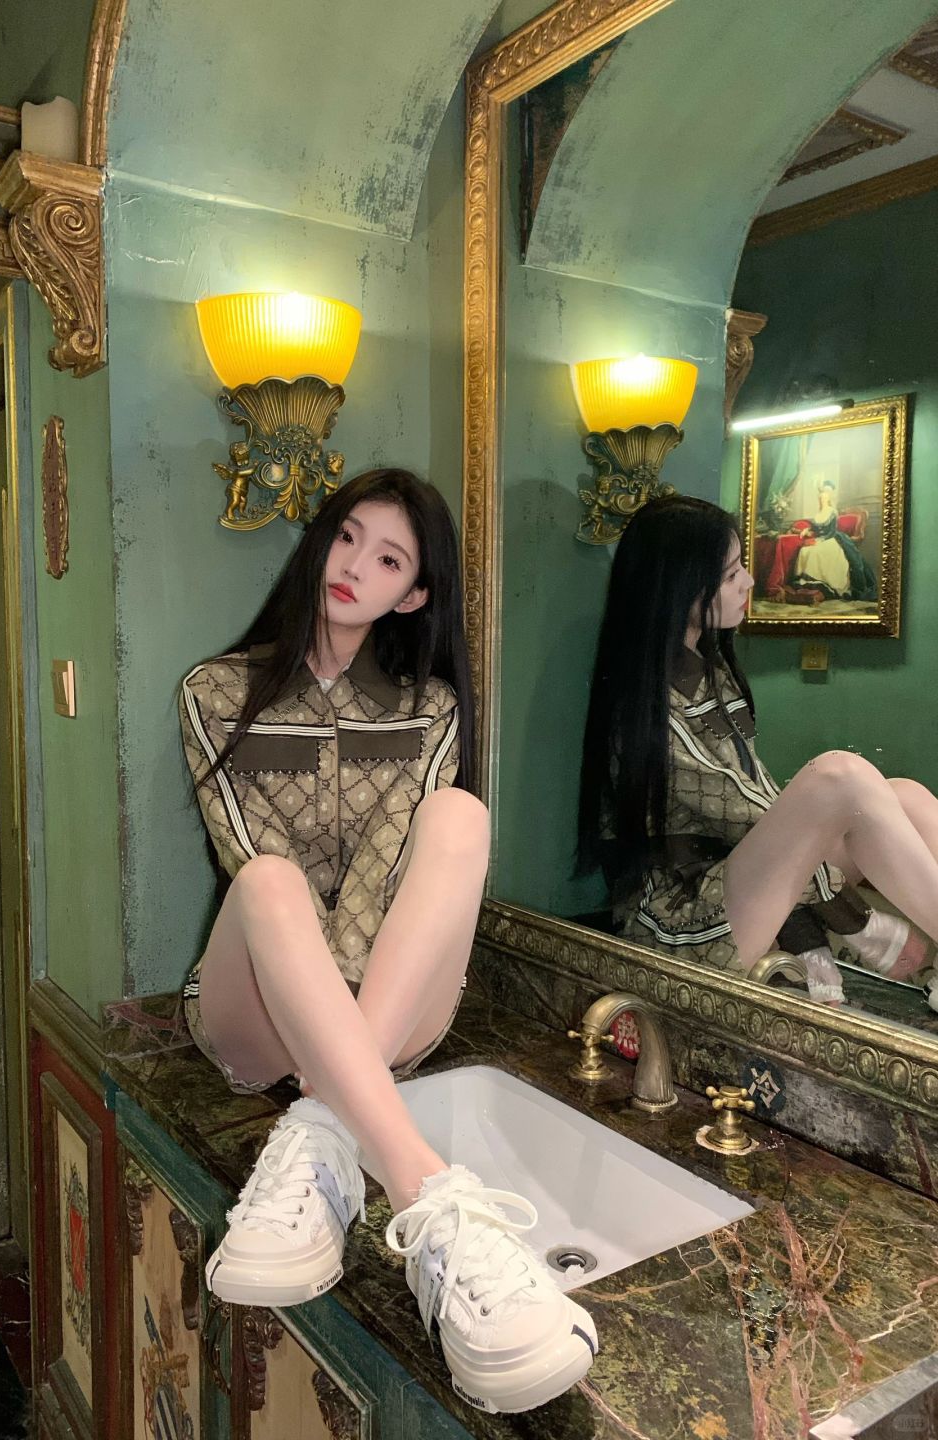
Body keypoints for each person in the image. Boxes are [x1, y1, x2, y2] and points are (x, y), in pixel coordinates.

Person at [180, 468, 597, 1415]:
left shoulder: (430, 709)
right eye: (346, 537)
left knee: (458, 816)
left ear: (412, 594)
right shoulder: (216, 692)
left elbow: (394, 877)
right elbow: (244, 856)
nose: (355, 565)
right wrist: (327, 1019)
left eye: (389, 558)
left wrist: (341, 1043)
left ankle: (326, 1120)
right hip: (257, 1014)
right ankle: (427, 1194)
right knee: (269, 879)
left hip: (392, 1008)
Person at [578, 494, 938, 1011]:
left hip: (737, 883)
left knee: (902, 796)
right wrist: (855, 921)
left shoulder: (713, 673)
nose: (749, 581)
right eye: (731, 574)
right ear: (679, 587)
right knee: (839, 777)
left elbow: (761, 806)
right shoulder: (642, 703)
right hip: (677, 917)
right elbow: (746, 812)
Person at [791, 479, 876, 601]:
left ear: (828, 498)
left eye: (824, 497)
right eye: (820, 497)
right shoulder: (818, 513)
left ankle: (824, 585)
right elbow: (816, 528)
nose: (822, 499)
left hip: (831, 539)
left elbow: (830, 531)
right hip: (820, 538)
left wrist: (819, 541)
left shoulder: (832, 512)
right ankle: (807, 583)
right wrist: (806, 530)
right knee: (804, 550)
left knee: (816, 552)